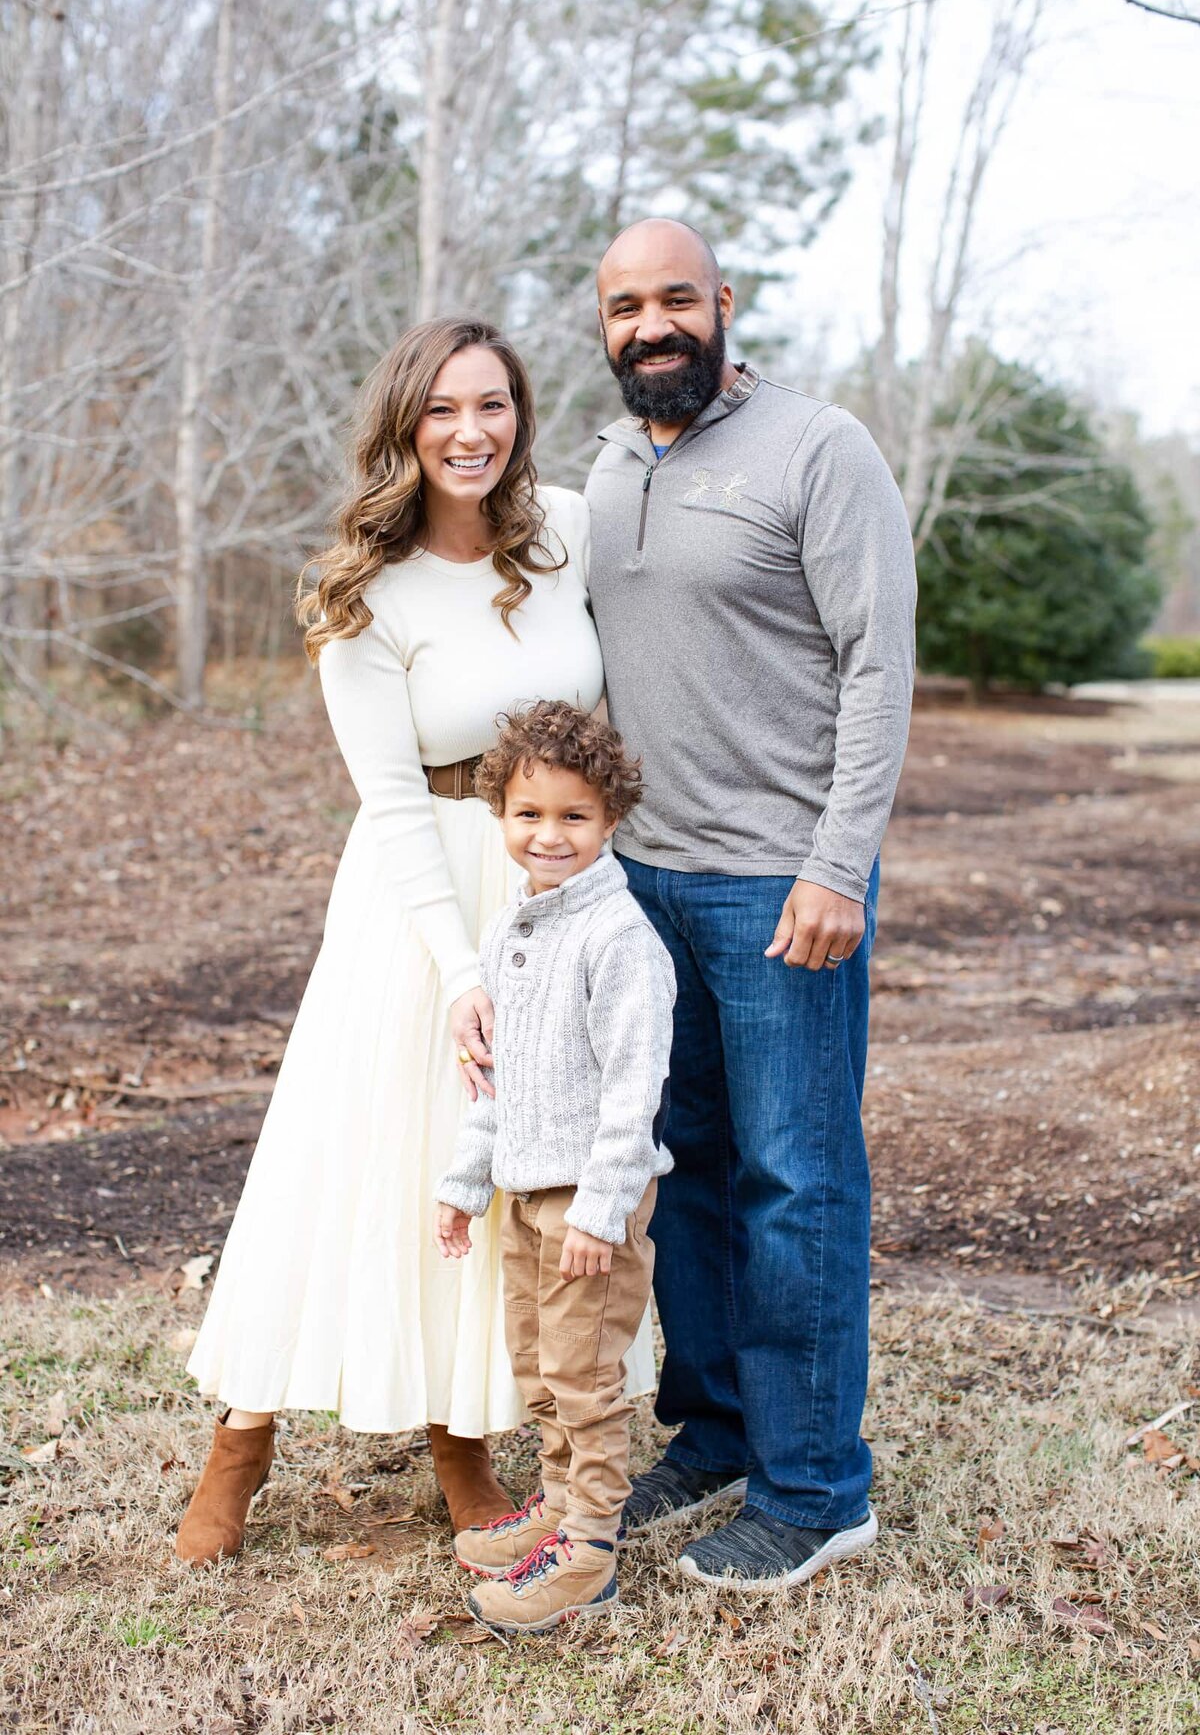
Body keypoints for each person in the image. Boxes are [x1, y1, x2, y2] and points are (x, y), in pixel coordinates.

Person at [175, 319, 656, 1567]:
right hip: (421, 899)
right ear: (404, 426)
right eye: (443, 410)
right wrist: (458, 968)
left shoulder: (565, 529)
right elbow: (389, 801)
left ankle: (465, 1440)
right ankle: (244, 1434)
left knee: (514, 1169)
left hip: (552, 884)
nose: (471, 432)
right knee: (360, 1156)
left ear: (520, 415)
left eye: (493, 406)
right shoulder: (361, 594)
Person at [585, 219, 917, 1589]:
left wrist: (839, 861)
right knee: (692, 1174)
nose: (650, 325)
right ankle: (719, 1429)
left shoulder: (817, 448)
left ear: (724, 304)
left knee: (797, 1183)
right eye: (623, 307)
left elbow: (878, 663)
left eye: (675, 299)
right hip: (643, 883)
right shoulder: (607, 466)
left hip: (781, 887)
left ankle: (816, 1486)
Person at [434, 702, 675, 1634]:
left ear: (611, 822)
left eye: (574, 816)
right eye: (529, 814)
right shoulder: (511, 932)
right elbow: (494, 1080)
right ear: (500, 817)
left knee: (584, 1375)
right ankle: (556, 1506)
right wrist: (465, 1183)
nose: (549, 834)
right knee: (538, 1366)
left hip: (588, 1205)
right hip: (525, 1194)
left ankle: (590, 1549)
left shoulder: (619, 941)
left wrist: (601, 1212)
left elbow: (633, 1091)